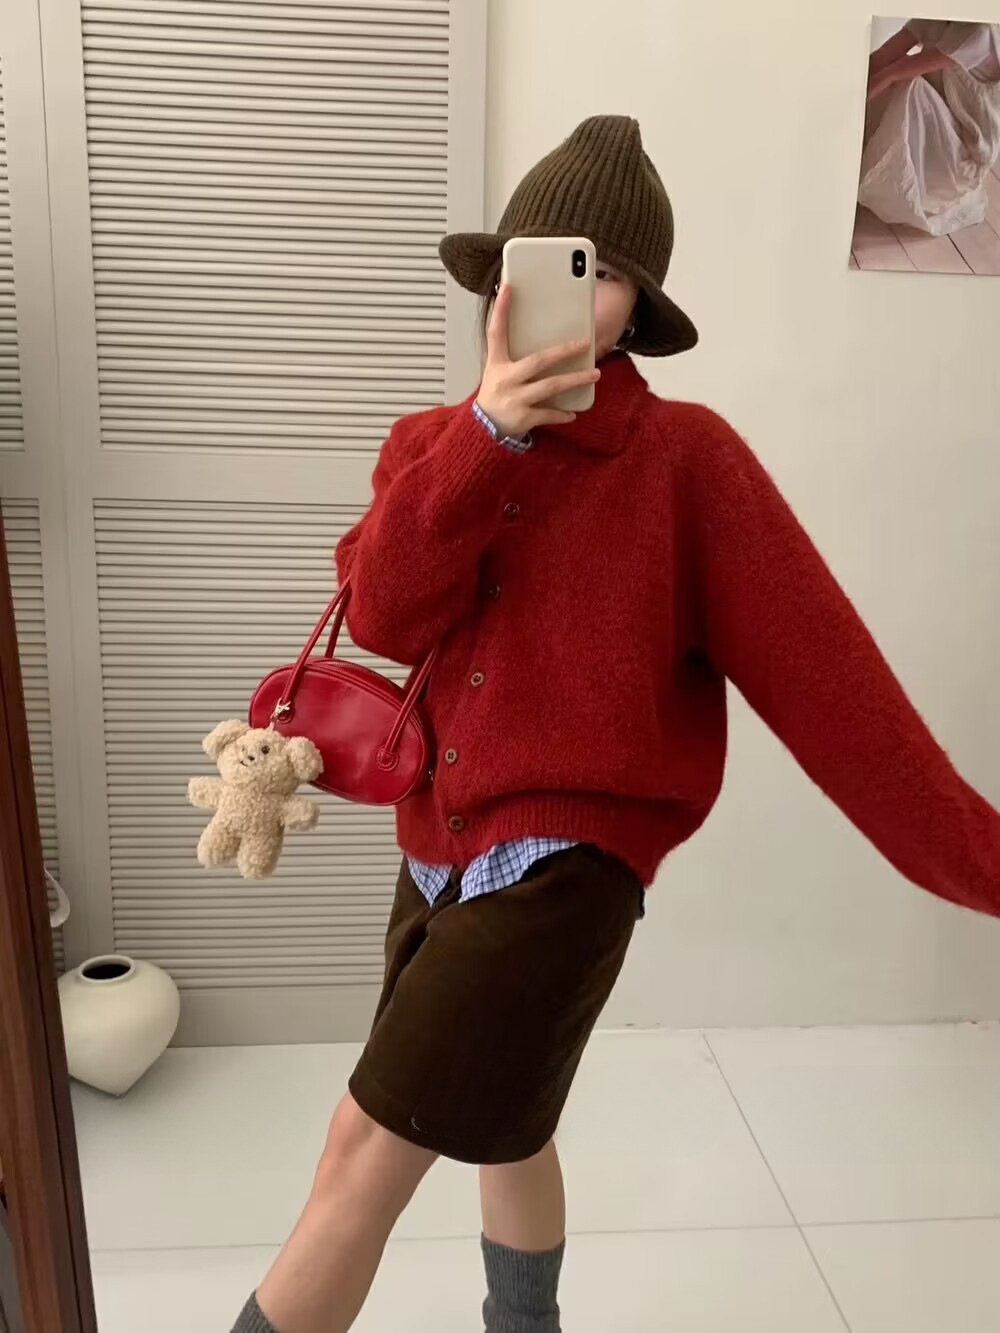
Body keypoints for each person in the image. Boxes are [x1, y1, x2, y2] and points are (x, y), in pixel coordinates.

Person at [231, 114, 1000, 1333]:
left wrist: (981, 861)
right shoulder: (429, 446)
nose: (568, 294)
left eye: (600, 271)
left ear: (635, 305)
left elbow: (838, 697)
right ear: (498, 279)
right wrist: (486, 439)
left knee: (359, 1150)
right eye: (544, 262)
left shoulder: (687, 462)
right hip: (435, 852)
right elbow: (381, 613)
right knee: (507, 1122)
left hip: (570, 867)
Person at [860, 20, 1000, 235]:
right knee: (894, 76)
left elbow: (890, 75)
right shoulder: (939, 16)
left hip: (963, 157)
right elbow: (882, 58)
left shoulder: (980, 33)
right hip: (934, 133)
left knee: (909, 84)